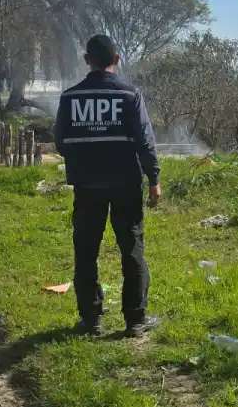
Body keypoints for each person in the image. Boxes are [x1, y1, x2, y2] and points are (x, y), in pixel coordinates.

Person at [53, 35, 161, 338]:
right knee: (131, 248)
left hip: (87, 185)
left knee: (86, 250)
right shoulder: (130, 95)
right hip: (126, 183)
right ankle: (136, 320)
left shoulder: (70, 98)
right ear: (116, 59)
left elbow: (60, 142)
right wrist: (154, 179)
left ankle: (91, 320)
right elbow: (144, 141)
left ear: (87, 60)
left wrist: (85, 159)